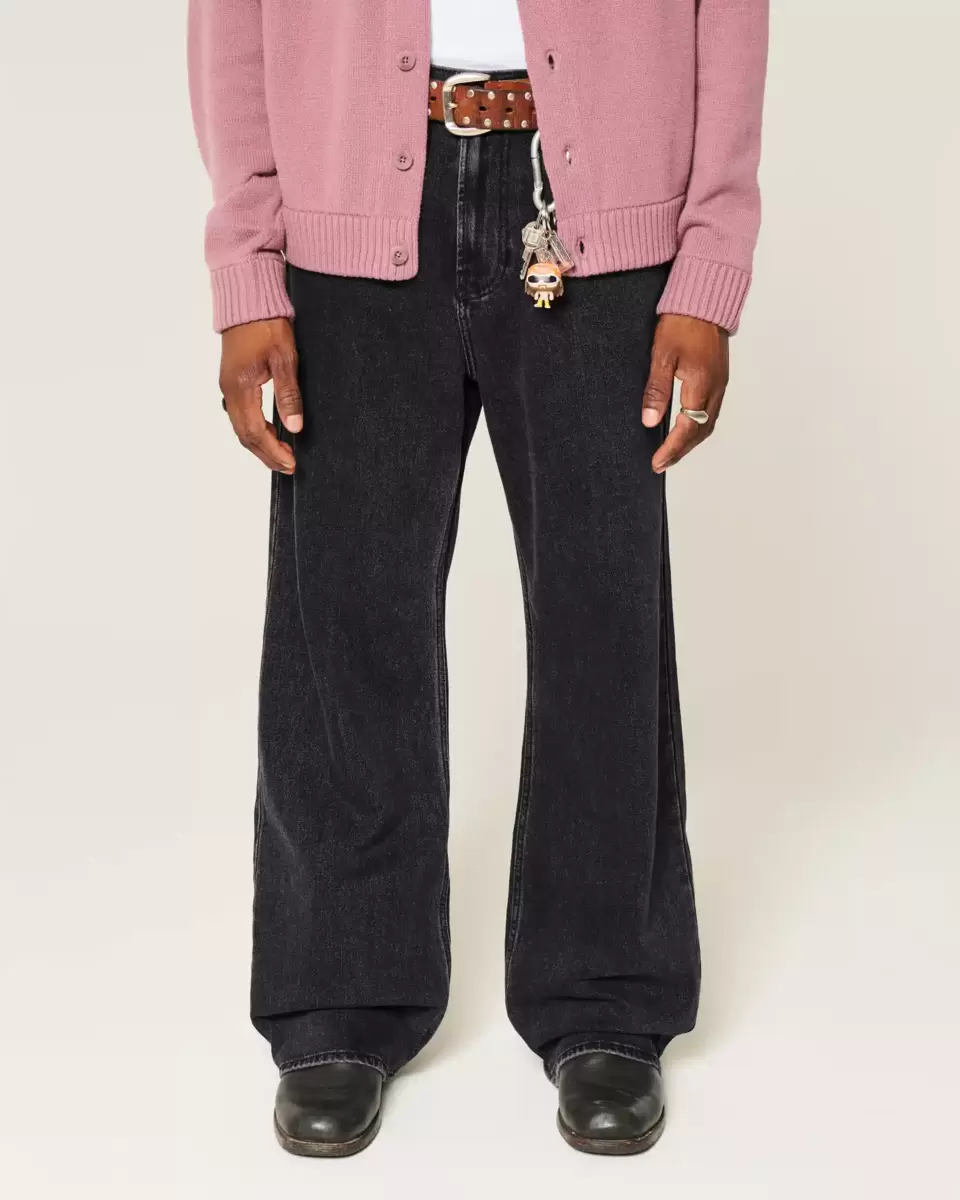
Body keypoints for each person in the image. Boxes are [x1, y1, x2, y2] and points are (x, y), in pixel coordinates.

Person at [188, 0, 768, 1158]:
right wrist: (246, 267)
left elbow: (731, 19)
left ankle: (605, 992)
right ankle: (341, 992)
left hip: (602, 210)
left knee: (603, 610)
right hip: (351, 193)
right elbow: (234, 23)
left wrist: (710, 268)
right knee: (346, 612)